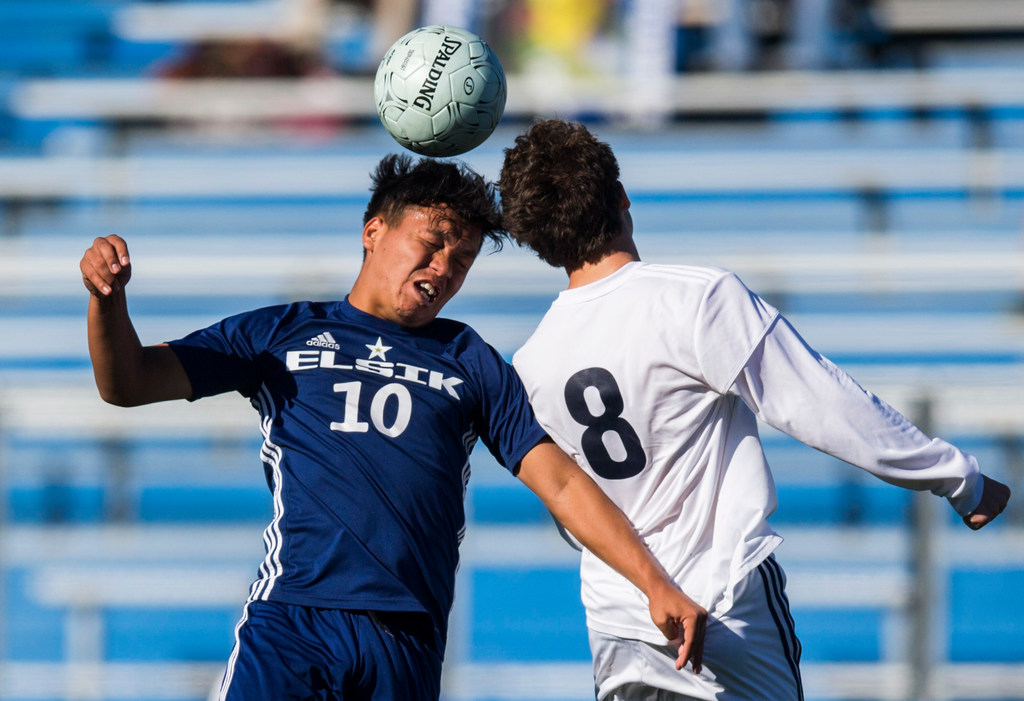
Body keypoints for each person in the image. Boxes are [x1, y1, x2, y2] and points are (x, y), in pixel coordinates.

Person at [79, 153, 707, 700]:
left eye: (461, 260)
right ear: (373, 231)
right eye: (431, 243)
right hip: (296, 617)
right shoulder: (280, 333)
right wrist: (107, 302)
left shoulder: (469, 358)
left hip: (407, 636)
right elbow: (128, 384)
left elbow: (562, 484)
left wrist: (653, 582)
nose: (443, 267)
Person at [498, 119, 1012, 701]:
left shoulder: (532, 360)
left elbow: (572, 507)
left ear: (536, 240)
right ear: (621, 196)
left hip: (621, 618)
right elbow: (823, 405)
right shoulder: (695, 299)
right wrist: (958, 477)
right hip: (722, 602)